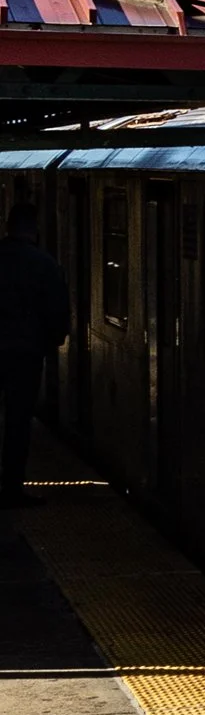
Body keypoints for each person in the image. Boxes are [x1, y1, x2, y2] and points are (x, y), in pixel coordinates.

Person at [0, 201, 70, 504]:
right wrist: (50, 341)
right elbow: (57, 314)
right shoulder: (44, 264)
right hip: (25, 355)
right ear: (34, 229)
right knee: (18, 422)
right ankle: (12, 487)